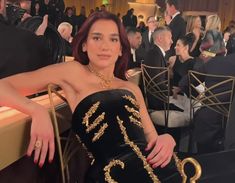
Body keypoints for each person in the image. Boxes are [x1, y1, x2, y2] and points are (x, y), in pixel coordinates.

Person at [0, 11, 181, 182]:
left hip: (160, 168)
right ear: (84, 45)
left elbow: (151, 138)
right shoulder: (74, 72)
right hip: (114, 175)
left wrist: (168, 139)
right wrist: (36, 110)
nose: (104, 46)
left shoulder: (131, 88)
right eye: (96, 38)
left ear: (120, 49)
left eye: (113, 39)